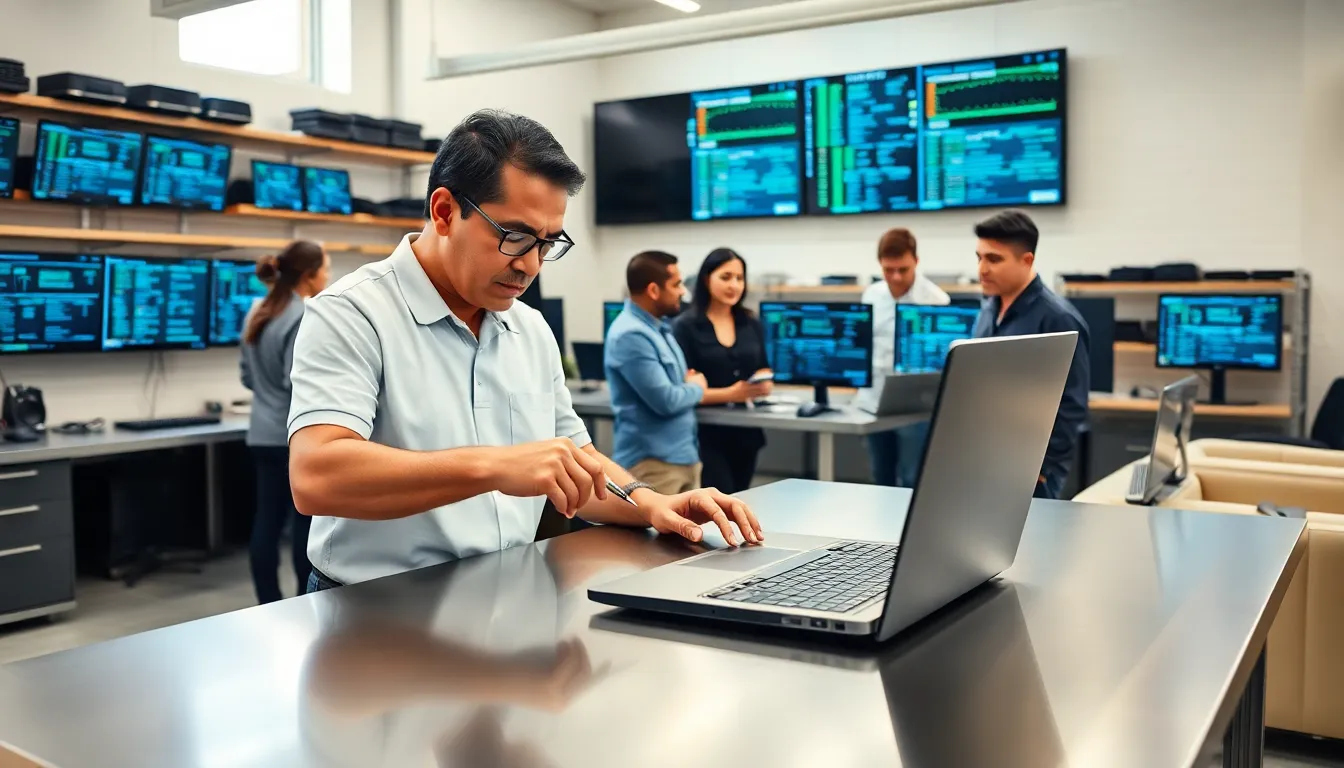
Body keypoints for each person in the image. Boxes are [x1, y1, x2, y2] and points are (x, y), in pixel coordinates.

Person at [286, 110, 762, 592]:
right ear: (445, 211)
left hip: (503, 594)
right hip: (373, 607)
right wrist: (495, 466)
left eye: (548, 243)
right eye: (514, 237)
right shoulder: (352, 312)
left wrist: (651, 503)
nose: (531, 265)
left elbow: (576, 460)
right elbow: (316, 476)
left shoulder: (529, 328)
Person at [605, 251, 767, 496]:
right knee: (657, 534)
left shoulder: (660, 328)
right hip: (654, 463)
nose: (683, 291)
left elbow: (680, 386)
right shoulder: (632, 335)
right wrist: (697, 388)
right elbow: (667, 400)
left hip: (683, 458)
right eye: (677, 284)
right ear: (653, 291)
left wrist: (689, 386)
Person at [971, 210, 1090, 500]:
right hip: (986, 461)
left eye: (994, 259)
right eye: (979, 257)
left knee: (1030, 544)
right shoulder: (988, 309)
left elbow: (1071, 406)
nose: (982, 269)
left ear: (1027, 260)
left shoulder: (1058, 320)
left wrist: (1040, 465)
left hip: (1032, 472)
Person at [239, 239, 330, 603]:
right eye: (325, 268)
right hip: (291, 438)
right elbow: (298, 382)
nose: (328, 276)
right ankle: (301, 606)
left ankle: (267, 602)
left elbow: (247, 376)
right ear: (308, 276)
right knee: (303, 528)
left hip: (260, 432)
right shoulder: (304, 316)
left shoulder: (256, 311)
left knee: (267, 522)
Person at [671, 248, 772, 493]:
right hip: (705, 436)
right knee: (720, 501)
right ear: (707, 279)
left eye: (739, 278)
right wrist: (732, 394)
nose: (734, 285)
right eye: (725, 277)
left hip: (746, 434)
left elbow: (764, 365)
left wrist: (764, 382)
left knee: (743, 499)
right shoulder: (685, 326)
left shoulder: (751, 322)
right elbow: (684, 388)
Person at [857, 228, 951, 487]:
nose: (896, 277)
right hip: (874, 401)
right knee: (880, 477)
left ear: (916, 263)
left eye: (903, 269)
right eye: (889, 270)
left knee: (913, 479)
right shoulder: (872, 295)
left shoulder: (936, 300)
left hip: (916, 406)